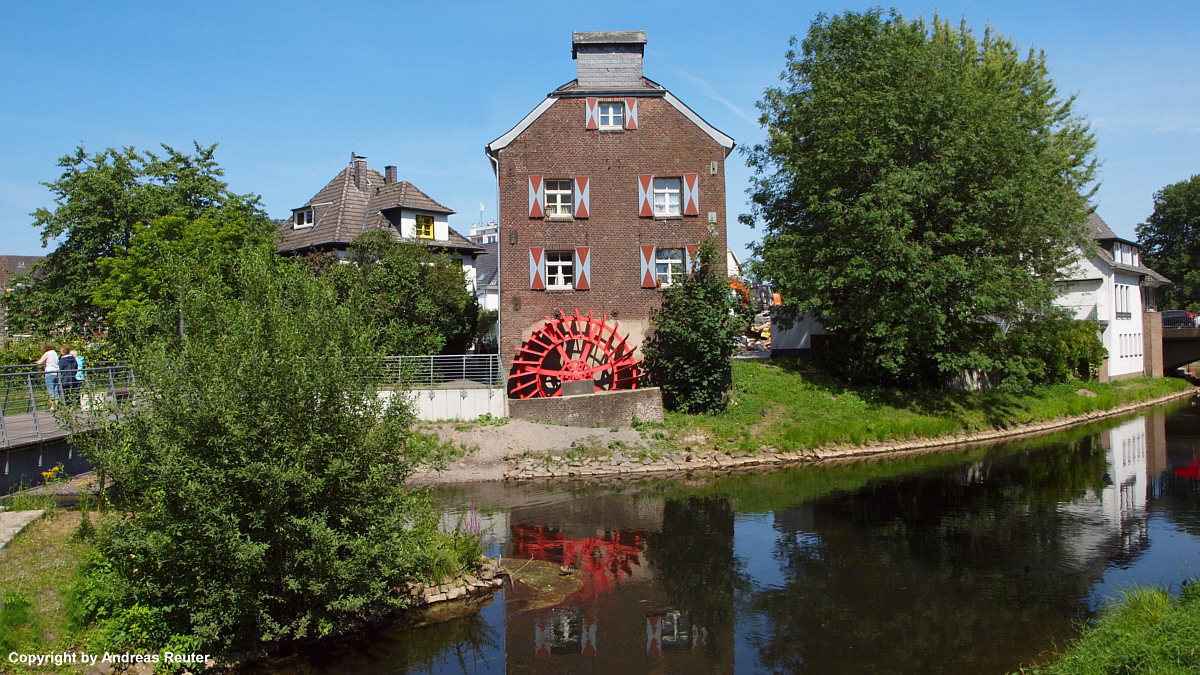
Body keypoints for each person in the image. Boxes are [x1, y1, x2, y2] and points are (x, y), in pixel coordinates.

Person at [35, 343, 60, 410]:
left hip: (49, 372)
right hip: (56, 372)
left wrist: (36, 362)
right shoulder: (55, 353)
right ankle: (56, 405)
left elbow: (40, 362)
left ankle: (52, 406)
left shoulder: (47, 353)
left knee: (50, 389)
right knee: (55, 389)